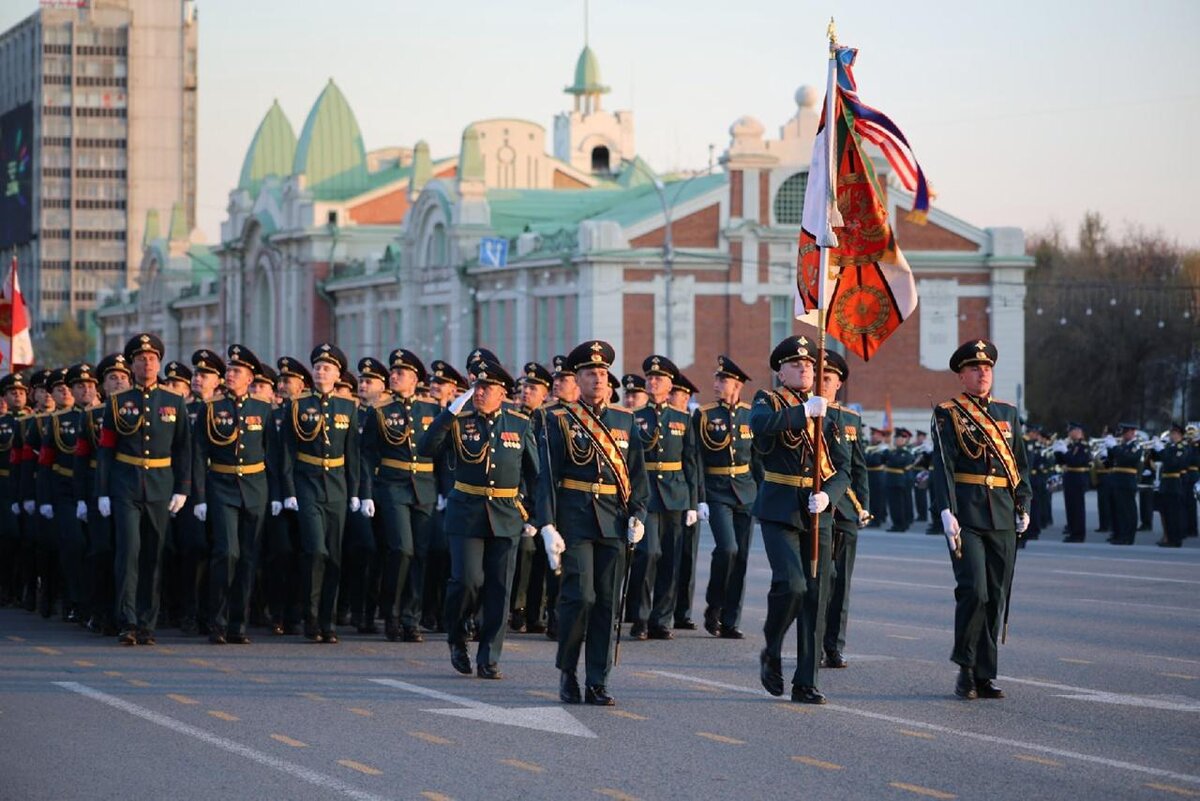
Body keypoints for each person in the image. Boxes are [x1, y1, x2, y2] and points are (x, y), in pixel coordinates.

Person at [537, 340, 649, 705]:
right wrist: (548, 524)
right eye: (590, 373)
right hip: (575, 520)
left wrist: (639, 515)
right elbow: (548, 478)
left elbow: (637, 476)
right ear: (577, 379)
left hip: (613, 521)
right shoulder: (558, 419)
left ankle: (598, 679)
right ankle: (568, 671)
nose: (598, 379)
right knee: (579, 597)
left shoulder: (625, 420)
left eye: (602, 373)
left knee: (606, 604)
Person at [418, 356, 539, 680]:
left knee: (499, 589)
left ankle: (489, 657)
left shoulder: (519, 423)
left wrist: (534, 514)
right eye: (477, 386)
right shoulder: (459, 420)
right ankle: (458, 638)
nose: (481, 392)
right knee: (467, 581)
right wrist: (448, 413)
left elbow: (534, 472)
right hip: (466, 512)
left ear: (503, 393)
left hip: (505, 514)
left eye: (488, 387)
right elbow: (426, 448)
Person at [752, 335, 851, 705]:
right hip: (779, 508)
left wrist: (829, 495)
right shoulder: (769, 400)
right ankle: (772, 648)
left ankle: (805, 681)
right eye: (796, 364)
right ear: (780, 371)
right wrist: (802, 413)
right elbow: (761, 426)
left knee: (816, 596)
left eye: (809, 364)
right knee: (792, 585)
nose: (805, 368)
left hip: (817, 511)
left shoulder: (827, 411)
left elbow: (843, 467)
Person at [931, 339, 1031, 701]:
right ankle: (966, 667)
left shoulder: (1008, 414)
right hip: (967, 514)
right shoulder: (948, 412)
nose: (982, 373)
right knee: (974, 589)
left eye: (987, 368)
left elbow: (1019, 464)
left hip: (1002, 512)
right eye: (974, 369)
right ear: (962, 376)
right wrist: (945, 509)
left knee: (996, 597)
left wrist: (1024, 504)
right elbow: (942, 465)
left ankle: (986, 674)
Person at [96, 333, 192, 645]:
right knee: (129, 552)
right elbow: (106, 450)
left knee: (153, 554)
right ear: (132, 365)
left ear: (159, 363)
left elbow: (183, 449)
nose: (146, 364)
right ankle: (127, 620)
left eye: (151, 359)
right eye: (140, 359)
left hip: (161, 486)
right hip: (125, 484)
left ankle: (147, 622)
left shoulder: (173, 401)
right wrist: (103, 492)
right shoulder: (117, 402)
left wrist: (183, 488)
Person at [279, 343, 361, 644]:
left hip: (337, 486)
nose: (320, 371)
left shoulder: (347, 406)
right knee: (316, 551)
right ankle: (311, 617)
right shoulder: (298, 404)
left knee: (334, 556)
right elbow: (287, 450)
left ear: (338, 374)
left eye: (326, 367)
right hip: (306, 483)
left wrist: (355, 491)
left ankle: (329, 620)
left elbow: (353, 453)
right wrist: (288, 490)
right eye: (317, 367)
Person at [359, 349, 440, 642]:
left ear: (415, 378)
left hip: (426, 487)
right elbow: (366, 454)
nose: (394, 376)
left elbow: (442, 455)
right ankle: (391, 613)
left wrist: (443, 490)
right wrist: (367, 492)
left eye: (400, 373)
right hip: (392, 486)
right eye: (393, 372)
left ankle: (411, 617)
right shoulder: (379, 410)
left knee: (419, 553)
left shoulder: (432, 410)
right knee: (401, 549)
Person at [627, 354, 698, 641]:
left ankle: (661, 618)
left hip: (676, 494)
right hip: (646, 494)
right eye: (650, 378)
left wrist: (694, 502)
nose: (653, 382)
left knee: (670, 558)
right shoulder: (635, 418)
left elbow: (691, 461)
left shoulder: (683, 418)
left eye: (659, 378)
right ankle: (640, 617)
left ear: (670, 385)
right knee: (648, 553)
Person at [694, 355, 757, 640]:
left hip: (745, 490)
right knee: (728, 549)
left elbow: (759, 458)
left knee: (741, 557)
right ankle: (714, 605)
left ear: (738, 385)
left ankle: (731, 620)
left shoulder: (750, 414)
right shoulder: (705, 414)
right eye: (717, 379)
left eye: (724, 380)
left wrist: (762, 491)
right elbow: (695, 458)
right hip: (717, 490)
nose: (718, 384)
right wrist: (700, 496)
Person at [818, 351, 870, 669]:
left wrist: (863, 505)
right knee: (822, 577)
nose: (822, 384)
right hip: (815, 507)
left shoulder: (850, 419)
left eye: (828, 379)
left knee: (842, 583)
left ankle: (834, 645)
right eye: (818, 377)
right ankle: (813, 639)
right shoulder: (806, 414)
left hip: (846, 508)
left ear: (839, 383)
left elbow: (859, 467)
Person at [265, 357, 311, 635]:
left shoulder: (308, 413)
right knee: (280, 554)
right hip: (277, 496)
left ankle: (297, 612)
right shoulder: (273, 414)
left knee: (305, 554)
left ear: (301, 385)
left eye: (287, 381)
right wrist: (277, 493)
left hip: (306, 493)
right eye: (280, 381)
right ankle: (278, 612)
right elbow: (271, 458)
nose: (282, 386)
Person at [509, 361, 553, 634]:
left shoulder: (550, 421)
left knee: (542, 557)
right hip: (517, 500)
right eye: (525, 386)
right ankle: (519, 609)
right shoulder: (513, 419)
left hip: (543, 500)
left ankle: (538, 612)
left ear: (545, 394)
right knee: (525, 551)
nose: (527, 392)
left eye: (533, 388)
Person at [1102, 423, 1141, 545]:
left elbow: (1128, 459)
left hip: (1127, 481)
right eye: (1122, 433)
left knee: (1127, 510)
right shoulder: (1122, 446)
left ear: (1132, 432)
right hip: (1117, 480)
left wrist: (1114, 448)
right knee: (1118, 510)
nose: (1123, 435)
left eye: (1125, 432)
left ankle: (1128, 537)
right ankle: (1118, 534)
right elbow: (1109, 464)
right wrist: (1107, 451)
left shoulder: (1136, 445)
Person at [1152, 424, 1190, 548]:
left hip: (1174, 483)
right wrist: (1155, 448)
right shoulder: (1170, 447)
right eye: (1170, 433)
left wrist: (1162, 450)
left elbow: (1174, 463)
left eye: (1173, 433)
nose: (1171, 436)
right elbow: (1159, 460)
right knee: (1166, 512)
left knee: (1174, 514)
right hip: (1166, 483)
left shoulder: (1181, 448)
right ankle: (1168, 538)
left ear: (1179, 435)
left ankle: (1175, 540)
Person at [1054, 423, 1090, 542]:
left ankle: (1079, 534)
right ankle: (1072, 531)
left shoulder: (1083, 446)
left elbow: (1076, 461)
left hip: (1078, 478)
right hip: (1069, 477)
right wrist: (1058, 452)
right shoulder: (1071, 445)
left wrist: (1065, 452)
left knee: (1077, 508)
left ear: (1078, 431)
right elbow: (1062, 462)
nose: (1069, 433)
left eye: (1071, 431)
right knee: (1070, 507)